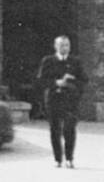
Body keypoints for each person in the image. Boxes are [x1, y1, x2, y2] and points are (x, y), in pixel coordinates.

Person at [35, 35, 85, 168]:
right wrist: (56, 82)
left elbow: (84, 80)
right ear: (55, 46)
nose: (65, 48)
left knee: (70, 128)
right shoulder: (48, 61)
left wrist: (73, 84)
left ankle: (69, 158)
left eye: (67, 45)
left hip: (70, 100)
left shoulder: (75, 61)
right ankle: (58, 158)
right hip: (53, 99)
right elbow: (40, 81)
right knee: (55, 129)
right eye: (62, 45)